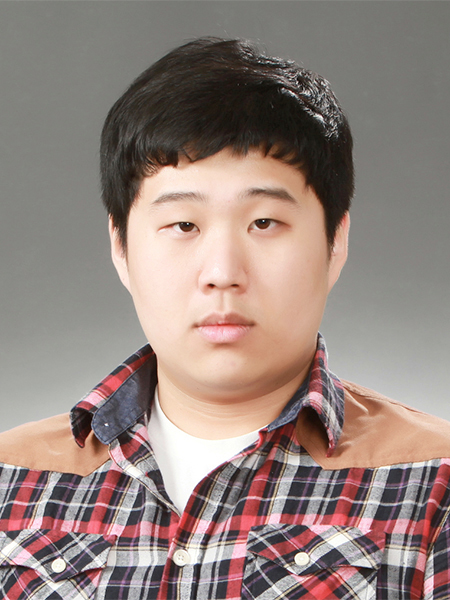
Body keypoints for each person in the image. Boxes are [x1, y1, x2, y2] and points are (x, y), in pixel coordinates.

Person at [0, 37, 449, 600]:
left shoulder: (435, 482)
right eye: (183, 225)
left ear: (335, 242)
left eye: (264, 223)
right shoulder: (11, 480)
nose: (222, 273)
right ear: (120, 247)